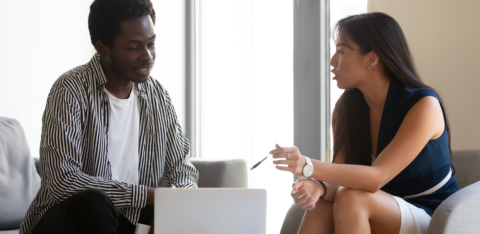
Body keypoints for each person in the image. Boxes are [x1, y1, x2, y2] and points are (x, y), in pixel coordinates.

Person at [20, 0, 198, 233]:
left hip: (127, 223)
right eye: (134, 48)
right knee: (93, 204)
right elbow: (62, 182)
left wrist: (173, 208)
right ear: (103, 48)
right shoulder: (70, 90)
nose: (148, 56)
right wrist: (146, 195)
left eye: (151, 44)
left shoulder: (158, 96)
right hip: (66, 222)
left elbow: (183, 171)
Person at [270, 12, 458, 234]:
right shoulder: (346, 108)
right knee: (321, 202)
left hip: (432, 214)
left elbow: (375, 178)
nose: (332, 61)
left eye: (341, 51)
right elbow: (338, 174)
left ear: (371, 58)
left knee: (352, 198)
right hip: (378, 204)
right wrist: (316, 186)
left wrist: (307, 166)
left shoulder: (423, 105)